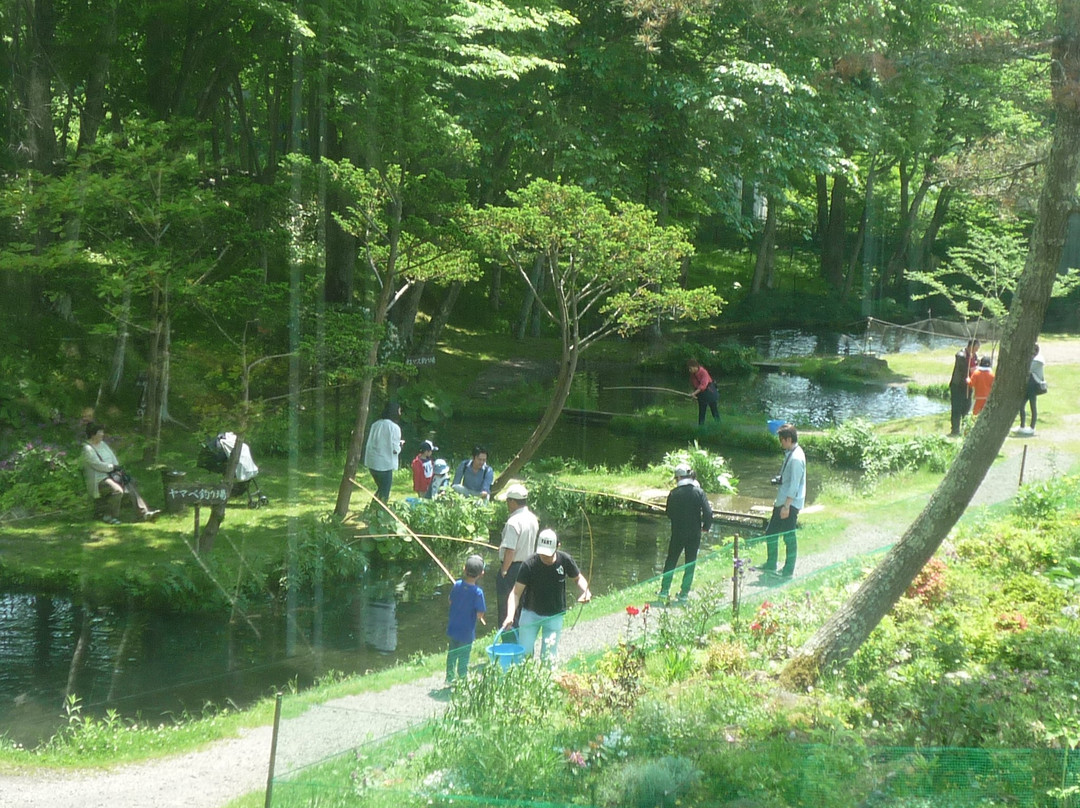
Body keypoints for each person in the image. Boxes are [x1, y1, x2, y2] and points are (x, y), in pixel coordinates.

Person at [502, 529, 590, 664]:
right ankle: (524, 681)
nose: (545, 557)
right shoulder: (529, 564)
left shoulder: (565, 560)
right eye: (542, 553)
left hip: (554, 615)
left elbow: (578, 578)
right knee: (524, 654)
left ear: (557, 546)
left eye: (548, 554)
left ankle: (546, 681)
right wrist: (510, 615)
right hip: (530, 614)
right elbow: (515, 593)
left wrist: (586, 591)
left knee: (549, 656)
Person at [80, 422, 159, 524]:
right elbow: (97, 465)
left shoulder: (103, 444)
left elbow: (113, 458)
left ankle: (143, 513)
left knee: (129, 482)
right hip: (99, 479)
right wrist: (113, 467)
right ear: (93, 434)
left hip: (110, 475)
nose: (102, 434)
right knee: (118, 490)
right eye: (100, 432)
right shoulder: (87, 449)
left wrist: (116, 470)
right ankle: (109, 516)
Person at [658, 463, 713, 602]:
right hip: (694, 533)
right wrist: (706, 527)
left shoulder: (673, 493)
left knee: (671, 560)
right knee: (690, 561)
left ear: (678, 477)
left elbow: (669, 513)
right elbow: (708, 513)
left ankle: (664, 590)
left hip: (678, 532)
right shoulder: (699, 492)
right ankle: (684, 593)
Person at [758, 423, 806, 578]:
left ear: (788, 439)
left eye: (781, 440)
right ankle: (771, 563)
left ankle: (788, 570)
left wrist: (786, 506)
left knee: (788, 537)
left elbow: (795, 485)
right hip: (783, 501)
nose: (780, 443)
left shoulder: (797, 458)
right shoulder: (791, 453)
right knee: (771, 532)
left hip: (789, 504)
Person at [496, 483, 539, 633]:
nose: (507, 504)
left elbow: (510, 552)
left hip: (513, 569)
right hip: (529, 567)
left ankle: (508, 640)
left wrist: (504, 571)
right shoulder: (533, 518)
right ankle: (523, 638)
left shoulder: (513, 522)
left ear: (513, 502)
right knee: (523, 606)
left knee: (506, 607)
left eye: (508, 501)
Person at [445, 554, 486, 685]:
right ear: (481, 574)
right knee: (464, 656)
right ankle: (462, 679)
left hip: (453, 628)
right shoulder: (478, 592)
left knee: (452, 654)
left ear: (464, 569)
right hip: (467, 632)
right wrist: (479, 616)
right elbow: (480, 614)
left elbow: (450, 601)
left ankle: (449, 678)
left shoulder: (456, 585)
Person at [363, 402, 403, 503]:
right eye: (399, 410)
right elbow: (395, 449)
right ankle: (378, 513)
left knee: (381, 489)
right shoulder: (394, 427)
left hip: (372, 462)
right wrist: (401, 445)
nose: (400, 413)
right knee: (384, 492)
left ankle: (372, 510)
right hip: (384, 464)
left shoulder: (375, 424)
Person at [949, 339, 980, 435]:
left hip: (968, 386)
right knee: (956, 408)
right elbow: (963, 366)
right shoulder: (961, 355)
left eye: (977, 349)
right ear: (970, 346)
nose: (976, 351)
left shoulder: (974, 356)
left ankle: (965, 430)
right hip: (958, 386)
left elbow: (975, 369)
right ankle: (955, 430)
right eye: (975, 348)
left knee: (966, 408)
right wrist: (969, 360)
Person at [1018, 343, 1046, 436]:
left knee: (1032, 406)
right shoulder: (1033, 359)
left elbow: (1027, 369)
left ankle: (1032, 427)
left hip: (1033, 385)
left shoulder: (1038, 361)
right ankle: (1022, 426)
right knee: (1021, 405)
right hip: (1028, 385)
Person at [687, 359, 720, 426]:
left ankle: (719, 425)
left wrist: (694, 393)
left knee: (714, 411)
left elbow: (703, 385)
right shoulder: (692, 375)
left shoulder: (703, 372)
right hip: (701, 394)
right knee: (702, 412)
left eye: (690, 368)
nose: (689, 370)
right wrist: (693, 393)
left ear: (695, 366)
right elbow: (694, 384)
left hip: (710, 392)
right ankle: (701, 426)